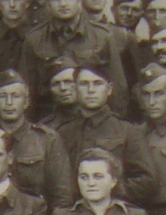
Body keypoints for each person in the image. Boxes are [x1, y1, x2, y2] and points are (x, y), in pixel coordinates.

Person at [58, 64, 158, 205]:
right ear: (74, 89)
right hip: (74, 211)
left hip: (115, 210)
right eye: (84, 84)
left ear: (109, 89)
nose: (91, 90)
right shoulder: (63, 132)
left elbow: (147, 181)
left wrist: (108, 190)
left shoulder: (128, 131)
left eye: (97, 83)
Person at [0, 72, 74, 209]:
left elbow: (62, 196)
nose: (9, 102)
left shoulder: (46, 140)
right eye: (3, 96)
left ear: (26, 102)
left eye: (15, 96)